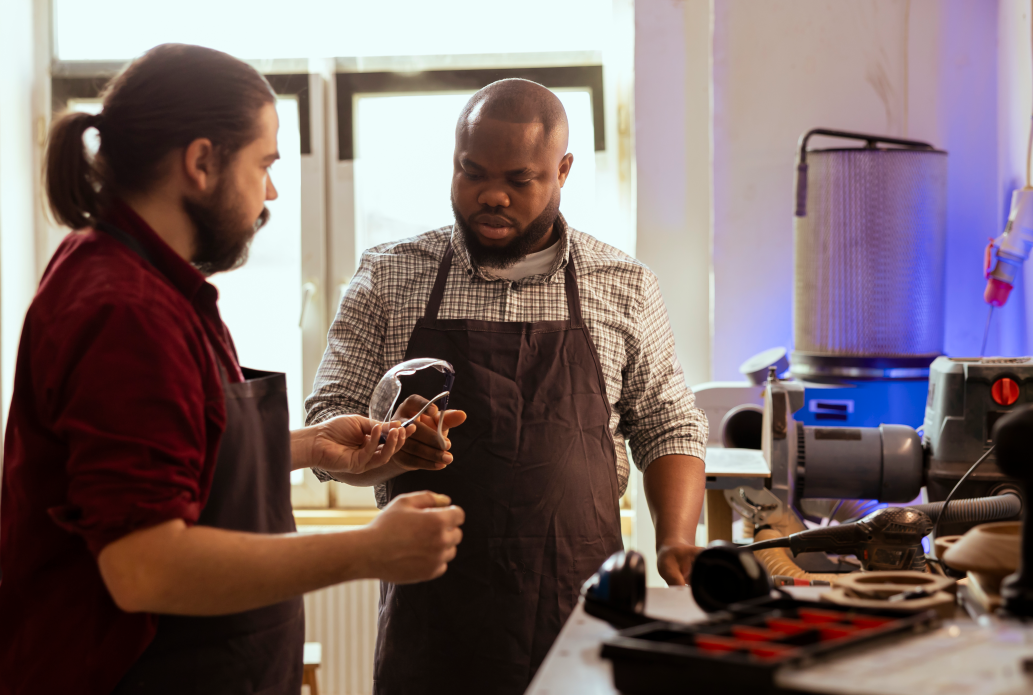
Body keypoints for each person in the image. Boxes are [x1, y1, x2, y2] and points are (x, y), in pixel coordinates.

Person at [0, 44, 464, 695]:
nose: (270, 192)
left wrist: (308, 445)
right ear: (200, 162)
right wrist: (367, 549)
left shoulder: (150, 283)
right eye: (264, 164)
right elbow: (144, 565)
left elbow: (177, 452)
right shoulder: (125, 311)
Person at [306, 78, 709, 694]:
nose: (491, 196)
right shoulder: (389, 277)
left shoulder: (622, 283)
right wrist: (388, 450)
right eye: (472, 174)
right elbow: (328, 431)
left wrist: (678, 539)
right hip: (433, 614)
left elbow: (669, 424)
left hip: (580, 607)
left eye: (519, 180)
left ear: (563, 170)